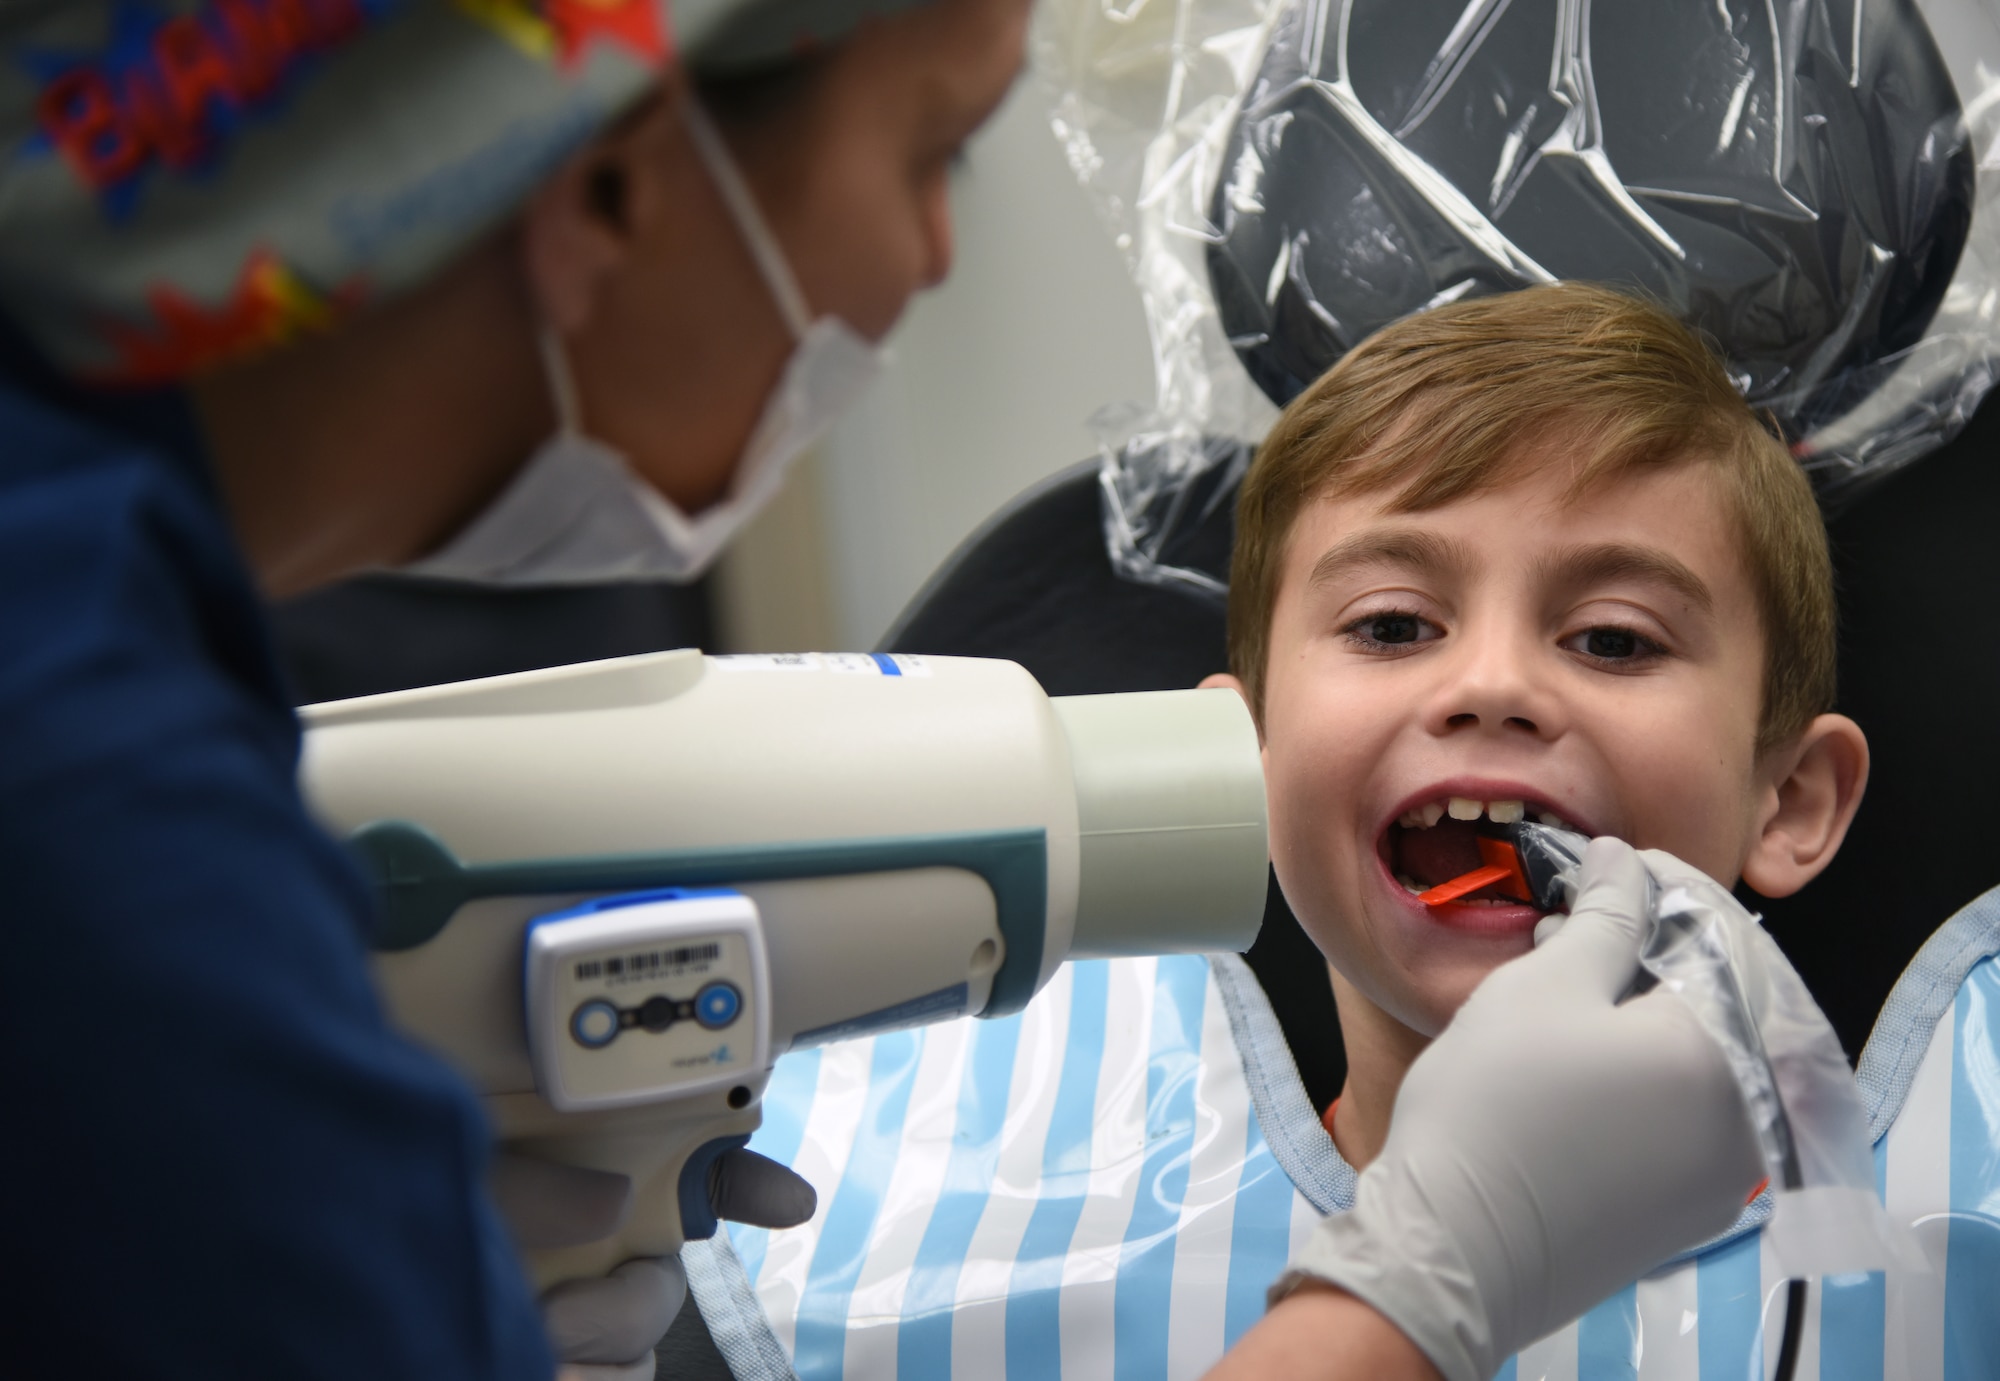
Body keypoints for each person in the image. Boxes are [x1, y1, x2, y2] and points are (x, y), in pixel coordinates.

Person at [0, 10, 1782, 1381]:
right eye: (938, 149)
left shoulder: (98, 630)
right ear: (616, 171)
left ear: (1801, 787)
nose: (932, 258)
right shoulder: (97, 831)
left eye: (1614, 636)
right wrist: (1415, 1291)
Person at [712, 285, 1998, 1381]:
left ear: (1790, 802)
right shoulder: (949, 1208)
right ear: (1240, 759)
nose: (1491, 683)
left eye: (1611, 638)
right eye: (1391, 624)